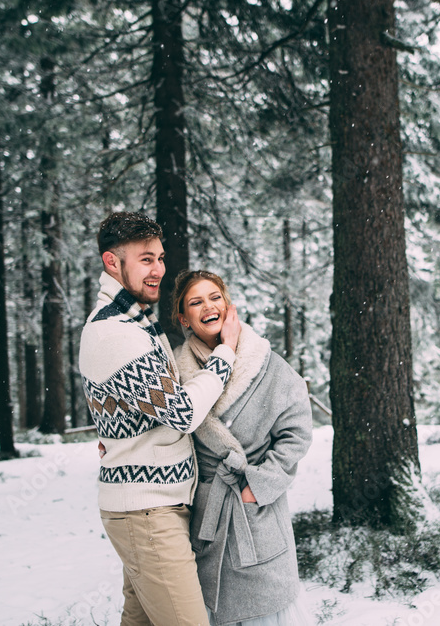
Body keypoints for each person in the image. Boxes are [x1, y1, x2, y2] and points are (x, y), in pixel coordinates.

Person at [79, 213, 240, 626]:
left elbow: (135, 404)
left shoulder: (137, 322)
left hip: (153, 507)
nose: (159, 271)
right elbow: (183, 412)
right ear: (112, 263)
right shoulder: (115, 331)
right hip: (147, 513)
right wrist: (226, 354)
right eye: (146, 259)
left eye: (161, 258)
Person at [172, 269, 313, 626]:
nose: (208, 306)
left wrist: (257, 485)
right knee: (209, 609)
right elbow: (160, 426)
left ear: (228, 304)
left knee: (265, 607)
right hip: (207, 511)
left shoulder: (265, 363)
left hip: (256, 509)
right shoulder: (173, 370)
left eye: (215, 297)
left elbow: (296, 432)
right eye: (196, 302)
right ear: (183, 318)